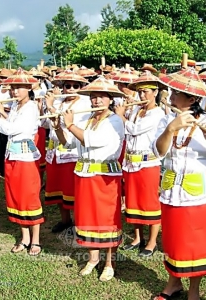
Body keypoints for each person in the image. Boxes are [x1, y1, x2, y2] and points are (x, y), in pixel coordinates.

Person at [153, 68, 206, 300]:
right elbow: (158, 152)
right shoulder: (167, 119)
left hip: (199, 196)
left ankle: (194, 290)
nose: (171, 96)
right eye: (171, 91)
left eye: (176, 93)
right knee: (173, 240)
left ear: (193, 99)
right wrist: (170, 129)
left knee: (196, 243)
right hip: (171, 191)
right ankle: (173, 284)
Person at [55, 77, 125, 281]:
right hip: (84, 176)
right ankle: (93, 258)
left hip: (104, 178)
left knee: (107, 219)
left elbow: (91, 140)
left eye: (101, 97)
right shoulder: (86, 120)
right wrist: (59, 127)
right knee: (87, 218)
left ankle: (110, 262)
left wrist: (69, 125)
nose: (96, 101)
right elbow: (68, 144)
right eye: (93, 97)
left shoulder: (115, 121)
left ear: (110, 99)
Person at [0, 68, 44, 255]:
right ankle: (24, 237)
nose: (15, 91)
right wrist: (0, 113)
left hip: (26, 159)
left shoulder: (31, 107)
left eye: (19, 87)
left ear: (28, 88)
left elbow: (12, 129)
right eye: (13, 88)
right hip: (12, 156)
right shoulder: (15, 106)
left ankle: (35, 239)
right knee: (16, 195)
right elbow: (10, 124)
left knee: (29, 196)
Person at [115, 71, 165, 257]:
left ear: (155, 92)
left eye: (146, 91)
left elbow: (135, 130)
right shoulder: (136, 110)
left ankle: (152, 242)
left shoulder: (157, 113)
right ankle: (137, 237)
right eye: (140, 92)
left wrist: (121, 116)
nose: (142, 95)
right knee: (133, 201)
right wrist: (125, 111)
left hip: (148, 164)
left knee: (150, 203)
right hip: (131, 163)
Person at [44, 70, 91, 233]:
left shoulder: (84, 104)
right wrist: (46, 107)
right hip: (55, 151)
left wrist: (50, 106)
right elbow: (45, 125)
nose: (71, 89)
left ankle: (79, 223)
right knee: (58, 188)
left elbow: (77, 128)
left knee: (73, 190)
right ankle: (65, 220)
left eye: (75, 86)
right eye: (67, 86)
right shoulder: (59, 102)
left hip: (72, 152)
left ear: (82, 87)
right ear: (62, 87)